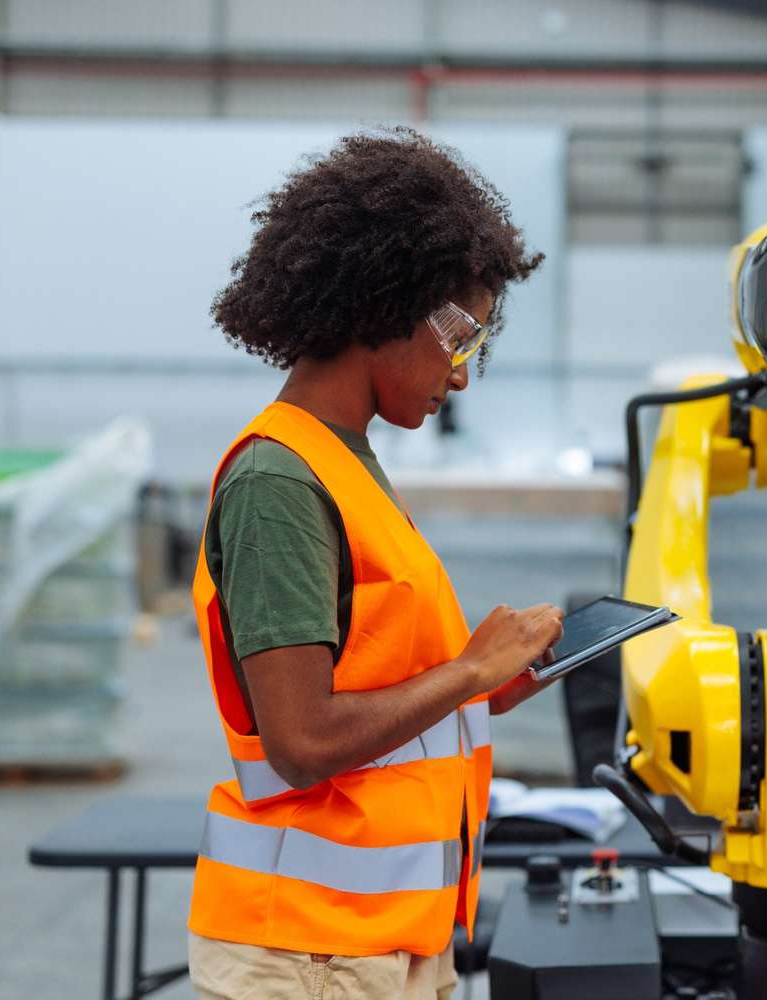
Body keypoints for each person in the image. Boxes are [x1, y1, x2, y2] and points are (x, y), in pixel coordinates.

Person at [185, 127, 563, 1000]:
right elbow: (304, 740)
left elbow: (371, 692)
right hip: (309, 957)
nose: (462, 375)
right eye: (459, 337)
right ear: (386, 303)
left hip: (375, 943)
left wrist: (485, 687)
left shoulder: (343, 461)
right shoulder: (279, 480)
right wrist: (469, 668)